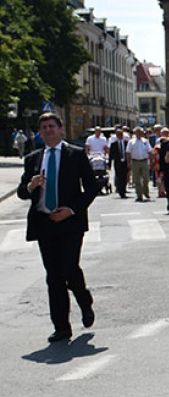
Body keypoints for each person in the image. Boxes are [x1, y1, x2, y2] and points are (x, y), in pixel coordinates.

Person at [17, 113, 101, 343]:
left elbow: (92, 188)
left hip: (70, 222)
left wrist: (71, 210)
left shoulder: (75, 155)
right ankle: (62, 327)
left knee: (69, 268)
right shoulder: (33, 158)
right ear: (40, 132)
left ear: (61, 129)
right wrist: (31, 185)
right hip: (44, 223)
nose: (48, 131)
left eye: (52, 126)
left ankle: (84, 300)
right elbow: (22, 192)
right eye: (44, 128)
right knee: (53, 276)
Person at [127, 127, 153, 201]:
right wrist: (128, 163)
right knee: (136, 179)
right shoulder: (131, 142)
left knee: (146, 178)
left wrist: (151, 162)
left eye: (141, 132)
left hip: (144, 161)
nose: (139, 134)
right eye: (138, 132)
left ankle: (146, 191)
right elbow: (128, 153)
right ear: (135, 133)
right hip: (135, 161)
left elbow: (150, 151)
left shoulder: (145, 141)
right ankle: (139, 195)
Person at [109, 130, 129, 199]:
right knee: (119, 176)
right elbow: (110, 155)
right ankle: (121, 191)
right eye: (118, 135)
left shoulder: (126, 143)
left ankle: (124, 189)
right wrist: (109, 164)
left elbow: (128, 153)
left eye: (121, 134)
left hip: (125, 162)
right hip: (117, 163)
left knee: (124, 177)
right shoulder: (113, 144)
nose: (120, 136)